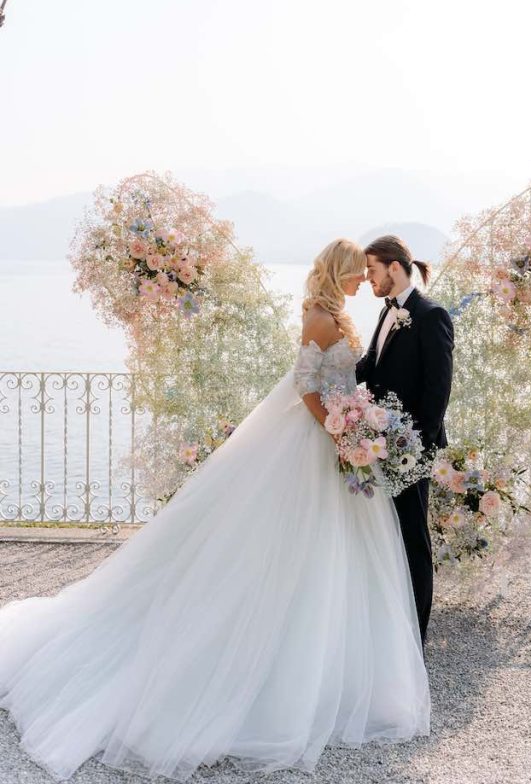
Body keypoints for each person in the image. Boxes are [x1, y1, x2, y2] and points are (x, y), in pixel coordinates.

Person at [0, 238, 429, 782]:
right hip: (317, 440)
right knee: (291, 546)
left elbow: (345, 377)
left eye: (368, 273)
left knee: (336, 554)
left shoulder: (339, 314)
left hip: (339, 443)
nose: (361, 281)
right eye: (356, 273)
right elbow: (304, 385)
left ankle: (337, 668)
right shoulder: (321, 317)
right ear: (342, 272)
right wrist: (338, 430)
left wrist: (356, 423)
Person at [356, 234, 454, 647]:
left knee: (414, 540)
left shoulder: (431, 315)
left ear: (394, 268)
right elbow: (371, 367)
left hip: (410, 450)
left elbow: (438, 389)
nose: (368, 280)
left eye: (373, 271)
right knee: (386, 536)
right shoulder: (387, 311)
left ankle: (417, 638)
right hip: (381, 444)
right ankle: (391, 632)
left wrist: (418, 448)